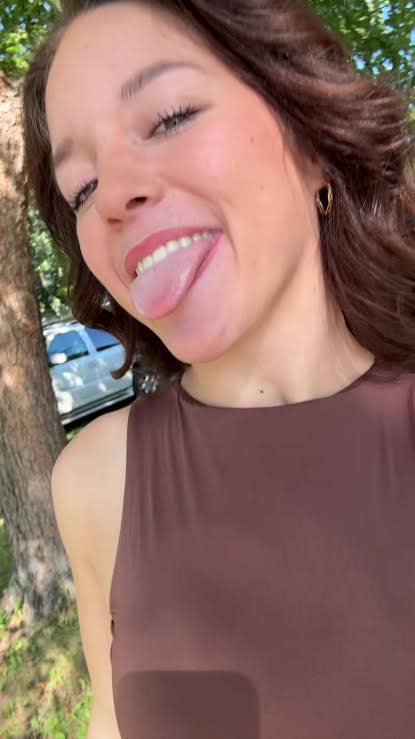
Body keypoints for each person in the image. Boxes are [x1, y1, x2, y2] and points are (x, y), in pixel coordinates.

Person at [22, 1, 415, 737]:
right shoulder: (96, 481)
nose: (112, 197)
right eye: (82, 188)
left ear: (313, 138)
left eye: (170, 117)